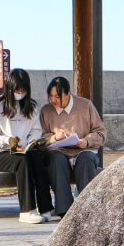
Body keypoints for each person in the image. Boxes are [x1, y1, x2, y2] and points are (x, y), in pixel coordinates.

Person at [0, 69, 53, 224]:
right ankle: (26, 210)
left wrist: (30, 143)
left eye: (23, 90)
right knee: (22, 162)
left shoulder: (31, 107)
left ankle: (45, 207)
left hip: (24, 150)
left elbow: (36, 130)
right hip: (0, 153)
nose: (20, 93)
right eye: (17, 90)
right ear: (10, 88)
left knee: (38, 158)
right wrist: (9, 140)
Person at [39, 76, 106, 216]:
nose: (53, 100)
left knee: (86, 159)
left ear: (68, 94)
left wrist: (86, 141)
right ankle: (65, 212)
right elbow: (40, 137)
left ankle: (87, 209)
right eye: (50, 96)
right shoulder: (46, 110)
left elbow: (100, 133)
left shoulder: (85, 105)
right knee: (56, 160)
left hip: (84, 150)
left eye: (57, 96)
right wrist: (53, 137)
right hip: (58, 151)